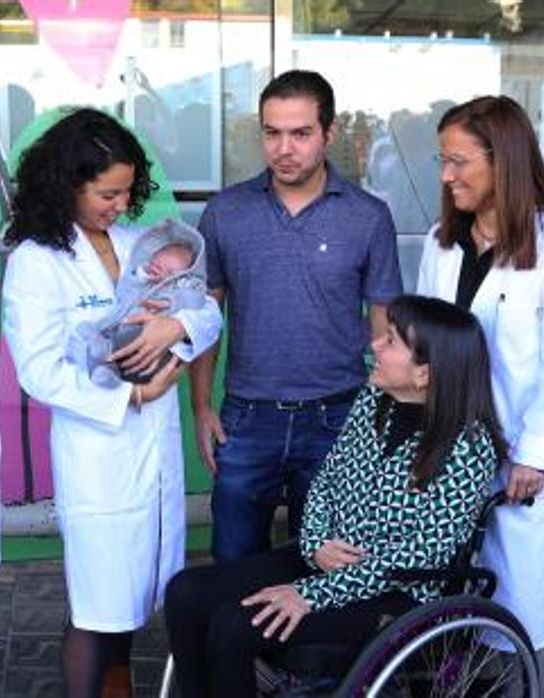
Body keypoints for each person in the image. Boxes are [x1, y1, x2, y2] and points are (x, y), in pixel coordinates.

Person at [165, 295, 507, 697]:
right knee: (186, 593)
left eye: (391, 341)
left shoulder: (467, 447)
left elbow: (421, 557)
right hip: (326, 556)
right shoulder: (375, 401)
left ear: (425, 374)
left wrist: (311, 594)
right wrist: (314, 545)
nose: (374, 345)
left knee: (234, 627)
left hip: (394, 590)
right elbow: (327, 479)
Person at [1, 107, 222, 698]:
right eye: (107, 193)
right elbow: (40, 371)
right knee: (99, 606)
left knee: (134, 600)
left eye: (128, 192)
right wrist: (133, 395)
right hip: (98, 454)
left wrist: (172, 330)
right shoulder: (36, 262)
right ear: (67, 184)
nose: (121, 206)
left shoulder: (138, 244)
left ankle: (118, 690)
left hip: (154, 455)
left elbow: (207, 310)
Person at [416, 95, 544, 672]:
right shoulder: (440, 243)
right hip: (449, 448)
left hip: (519, 453)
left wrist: (535, 456)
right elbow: (423, 341)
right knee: (445, 591)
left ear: (505, 160)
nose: (446, 177)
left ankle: (524, 683)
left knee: (521, 597)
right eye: (442, 162)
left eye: (459, 162)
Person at [191, 69, 404, 563]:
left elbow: (383, 325)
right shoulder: (226, 212)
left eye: (300, 133)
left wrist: (380, 418)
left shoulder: (368, 216)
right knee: (235, 564)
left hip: (338, 415)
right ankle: (245, 645)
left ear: (329, 134)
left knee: (328, 569)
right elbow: (203, 314)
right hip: (246, 418)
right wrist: (201, 405)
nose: (284, 148)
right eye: (272, 133)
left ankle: (310, 646)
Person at [65, 217, 207, 386]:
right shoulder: (141, 276)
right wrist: (142, 276)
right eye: (156, 263)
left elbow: (202, 307)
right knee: (112, 335)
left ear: (182, 277)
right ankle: (103, 354)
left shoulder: (183, 291)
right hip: (122, 328)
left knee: (134, 352)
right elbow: (127, 291)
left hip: (148, 343)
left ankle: (109, 365)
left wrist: (175, 314)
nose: (158, 271)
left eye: (168, 272)